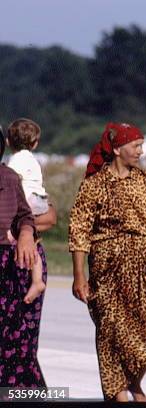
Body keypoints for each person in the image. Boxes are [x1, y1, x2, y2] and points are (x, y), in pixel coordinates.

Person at [69, 122, 146, 401]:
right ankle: (118, 391)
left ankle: (133, 382)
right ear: (117, 149)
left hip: (145, 265)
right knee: (113, 331)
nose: (141, 151)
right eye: (136, 146)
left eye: (142, 145)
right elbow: (79, 230)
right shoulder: (94, 184)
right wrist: (79, 276)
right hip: (108, 269)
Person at [0, 124, 56, 388]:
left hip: (16, 261)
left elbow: (47, 218)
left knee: (21, 344)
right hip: (19, 254)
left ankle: (27, 393)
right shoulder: (28, 165)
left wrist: (22, 230)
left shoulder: (10, 176)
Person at [5, 118, 49, 304]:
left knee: (10, 234)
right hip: (40, 202)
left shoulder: (13, 161)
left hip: (25, 202)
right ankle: (37, 280)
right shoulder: (34, 161)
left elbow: (9, 182)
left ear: (8, 142)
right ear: (35, 143)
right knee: (34, 242)